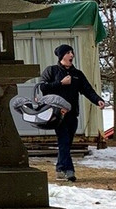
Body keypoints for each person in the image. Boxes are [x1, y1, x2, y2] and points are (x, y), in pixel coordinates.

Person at [40, 44, 106, 182]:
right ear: (61, 56)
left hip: (72, 114)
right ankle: (69, 171)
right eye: (68, 52)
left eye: (72, 52)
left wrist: (98, 100)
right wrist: (60, 83)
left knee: (66, 143)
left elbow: (87, 90)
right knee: (63, 141)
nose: (71, 55)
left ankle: (59, 168)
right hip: (57, 115)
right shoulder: (51, 71)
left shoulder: (77, 74)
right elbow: (43, 88)